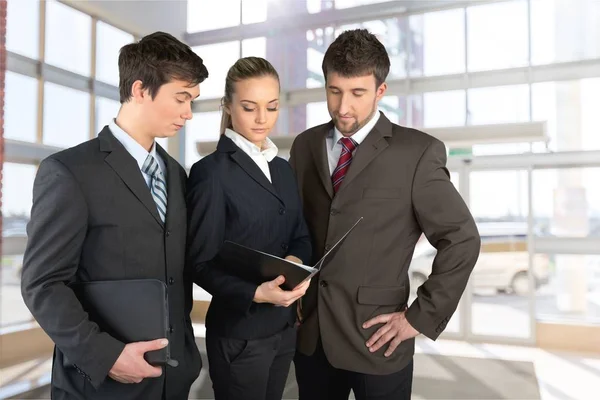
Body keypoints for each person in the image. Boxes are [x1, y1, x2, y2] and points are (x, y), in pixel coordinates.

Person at [289, 29, 481, 400]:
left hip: (377, 340)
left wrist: (418, 317)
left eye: (358, 93)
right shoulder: (305, 146)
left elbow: (462, 239)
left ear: (380, 91)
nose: (343, 107)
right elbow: (295, 227)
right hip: (310, 335)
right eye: (334, 91)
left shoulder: (417, 153)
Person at [20, 31, 208, 400]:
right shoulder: (69, 172)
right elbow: (42, 284)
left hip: (172, 380)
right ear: (140, 90)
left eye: (192, 100)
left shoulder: (176, 174)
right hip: (101, 384)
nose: (188, 112)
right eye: (181, 97)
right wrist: (107, 357)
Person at [186, 56, 312, 400]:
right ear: (227, 106)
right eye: (249, 107)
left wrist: (295, 263)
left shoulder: (283, 170)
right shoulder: (211, 173)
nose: (262, 119)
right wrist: (257, 293)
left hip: (284, 329)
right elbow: (199, 263)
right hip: (239, 333)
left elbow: (300, 235)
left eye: (271, 107)